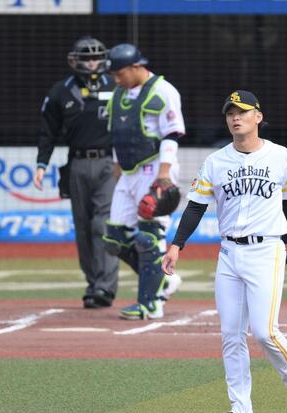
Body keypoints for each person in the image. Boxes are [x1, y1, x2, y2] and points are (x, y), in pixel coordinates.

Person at [162, 90, 287, 413]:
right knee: (231, 335)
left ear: (258, 117)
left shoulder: (279, 155)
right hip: (229, 253)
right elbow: (197, 205)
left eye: (242, 112)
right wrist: (176, 245)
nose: (235, 117)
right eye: (230, 112)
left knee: (264, 331)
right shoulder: (216, 161)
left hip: (266, 249)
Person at [34, 36, 119, 309]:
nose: (92, 62)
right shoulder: (61, 91)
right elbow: (47, 132)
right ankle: (93, 284)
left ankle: (105, 287)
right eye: (86, 58)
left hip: (108, 164)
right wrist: (41, 164)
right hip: (77, 164)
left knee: (101, 225)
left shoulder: (116, 86)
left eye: (96, 57)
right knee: (83, 227)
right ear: (76, 61)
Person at [103, 43, 184, 320]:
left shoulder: (163, 91)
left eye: (120, 73)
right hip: (127, 174)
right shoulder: (118, 94)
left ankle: (151, 303)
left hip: (154, 170)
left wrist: (164, 174)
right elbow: (118, 135)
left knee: (149, 237)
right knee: (114, 238)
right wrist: (117, 169)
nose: (116, 79)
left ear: (137, 67)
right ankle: (164, 280)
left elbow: (171, 135)